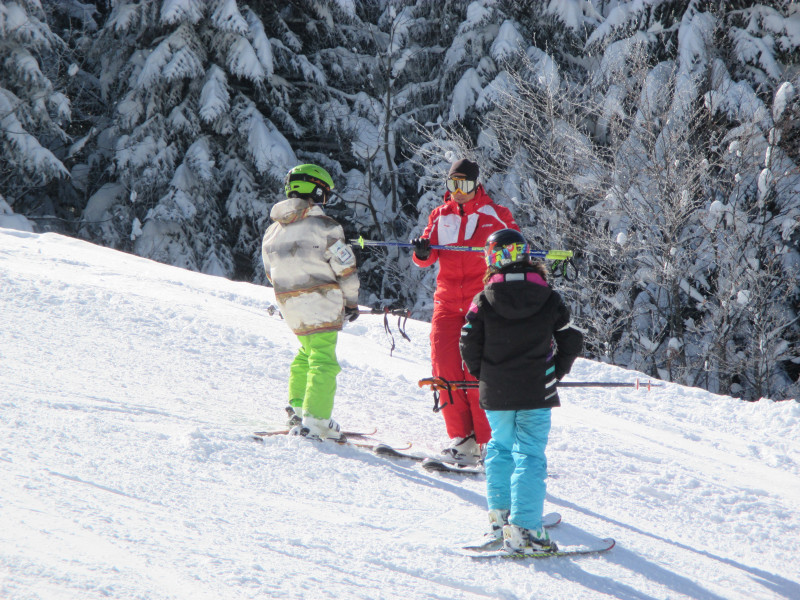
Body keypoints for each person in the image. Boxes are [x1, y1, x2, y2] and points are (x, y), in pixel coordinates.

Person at [459, 228, 583, 553]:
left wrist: (484, 375)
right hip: (535, 390)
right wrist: (555, 372)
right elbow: (571, 339)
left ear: (493, 260)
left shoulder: (483, 299)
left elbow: (467, 341)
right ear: (526, 256)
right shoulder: (549, 298)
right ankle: (526, 529)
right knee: (529, 454)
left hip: (496, 391)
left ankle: (500, 522)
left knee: (499, 449)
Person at [411, 158, 520, 464]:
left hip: (480, 304)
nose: (458, 192)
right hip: (446, 303)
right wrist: (421, 251)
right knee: (445, 369)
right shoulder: (440, 215)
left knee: (477, 371)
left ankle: (487, 441)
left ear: (476, 185)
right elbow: (426, 255)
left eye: (464, 185)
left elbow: (515, 248)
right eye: (452, 184)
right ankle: (462, 438)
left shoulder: (495, 215)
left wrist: (504, 255)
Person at [262, 164, 360, 441]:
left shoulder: (272, 232)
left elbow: (271, 272)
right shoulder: (326, 227)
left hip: (290, 304)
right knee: (324, 360)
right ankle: (316, 421)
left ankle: (298, 408)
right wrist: (350, 302)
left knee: (306, 351)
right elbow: (345, 269)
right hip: (320, 301)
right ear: (317, 191)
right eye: (324, 195)